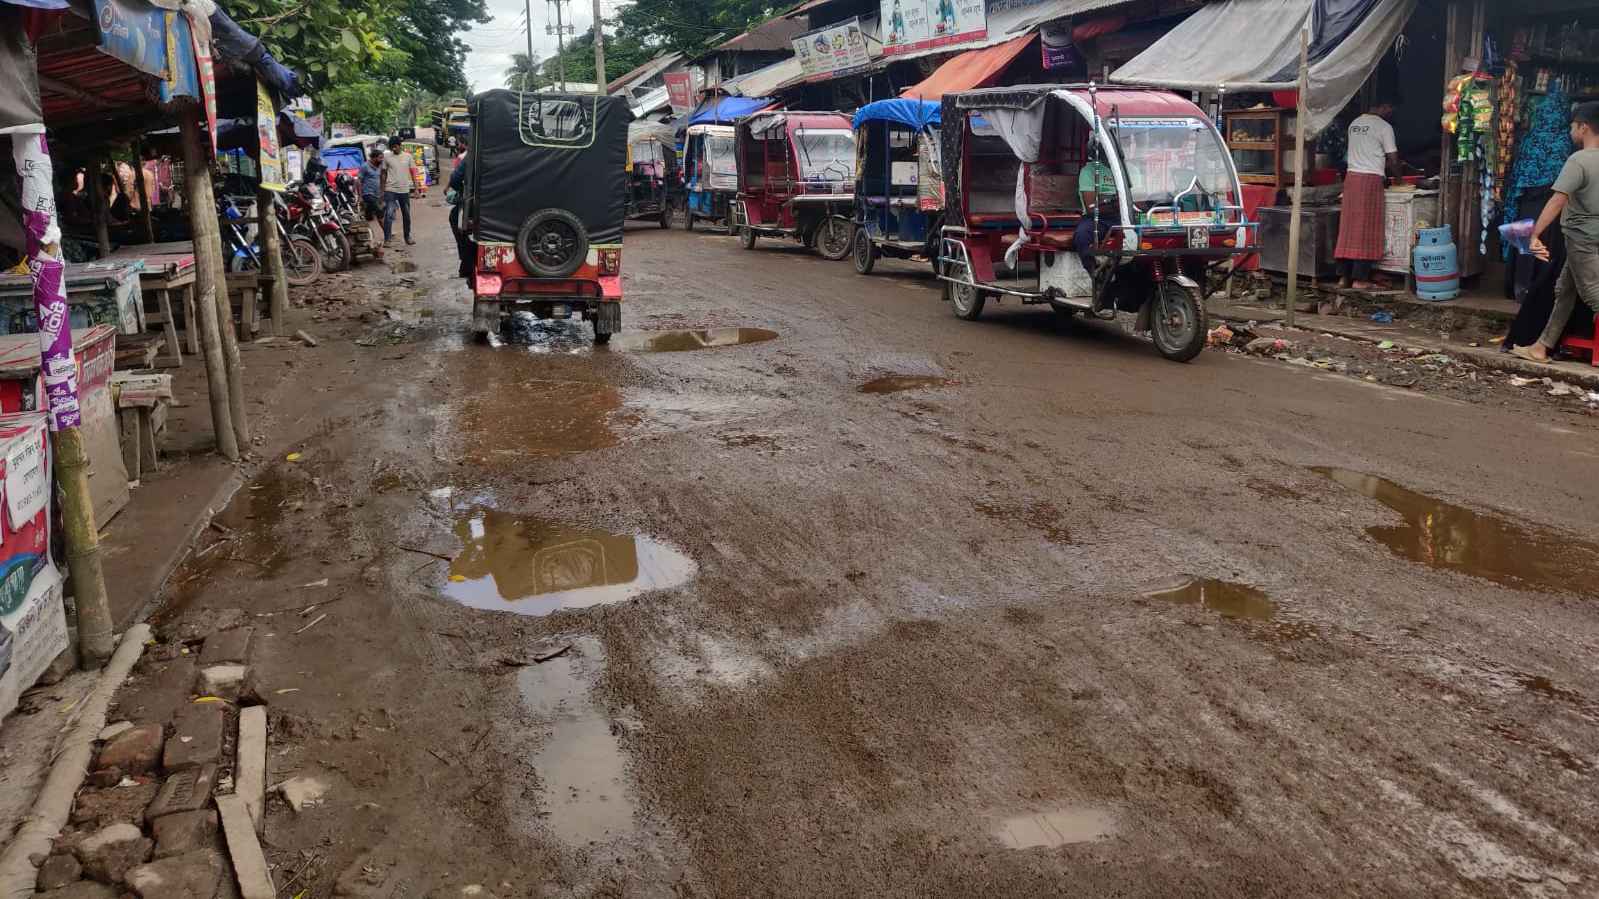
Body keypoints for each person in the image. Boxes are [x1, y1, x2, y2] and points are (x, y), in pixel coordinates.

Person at [1512, 101, 1599, 362]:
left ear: (1584, 127)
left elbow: (1557, 200)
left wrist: (1534, 233)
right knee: (1564, 291)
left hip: (1581, 237)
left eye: (1573, 125)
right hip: (1592, 235)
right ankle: (1542, 346)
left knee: (1594, 294)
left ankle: (1542, 346)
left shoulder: (1579, 160)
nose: (1570, 131)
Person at [1333, 99, 1400, 290]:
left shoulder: (1355, 124)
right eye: (1391, 108)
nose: (1391, 113)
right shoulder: (1384, 127)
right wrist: (1400, 180)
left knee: (1348, 229)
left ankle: (1343, 277)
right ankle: (1360, 280)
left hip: (1351, 178)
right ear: (1384, 105)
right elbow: (1393, 158)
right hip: (1370, 180)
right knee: (1366, 229)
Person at [379, 136, 415, 246]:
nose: (394, 149)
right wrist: (382, 190)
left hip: (404, 190)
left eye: (395, 147)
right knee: (389, 213)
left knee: (407, 214)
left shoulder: (408, 156)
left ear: (400, 145)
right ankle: (387, 239)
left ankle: (407, 237)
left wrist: (417, 188)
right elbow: (383, 174)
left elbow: (413, 172)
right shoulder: (386, 157)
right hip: (390, 190)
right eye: (392, 147)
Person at [358, 148, 386, 259]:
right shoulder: (365, 166)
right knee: (379, 211)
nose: (381, 159)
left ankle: (366, 237)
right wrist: (360, 196)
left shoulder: (380, 166)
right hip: (367, 194)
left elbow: (382, 178)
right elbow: (358, 181)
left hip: (376, 194)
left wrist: (382, 192)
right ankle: (387, 233)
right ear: (373, 158)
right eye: (380, 157)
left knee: (368, 217)